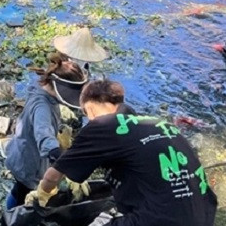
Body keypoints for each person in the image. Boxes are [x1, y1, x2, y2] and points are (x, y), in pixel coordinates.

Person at [27, 79, 218, 226]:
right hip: (204, 211)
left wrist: (42, 195)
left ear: (90, 108)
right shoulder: (158, 123)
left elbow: (53, 175)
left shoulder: (101, 126)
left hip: (159, 219)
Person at [4, 53, 88, 209]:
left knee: (20, 190)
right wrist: (66, 167)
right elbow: (44, 137)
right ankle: (9, 217)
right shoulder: (42, 108)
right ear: (58, 89)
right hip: (28, 162)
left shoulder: (43, 84)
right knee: (22, 193)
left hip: (23, 146)